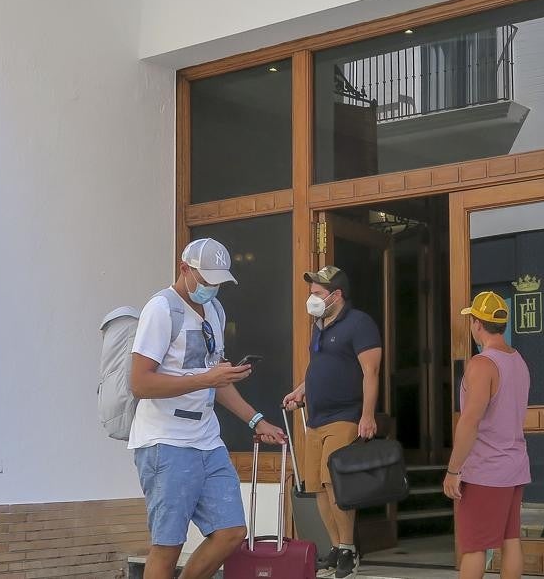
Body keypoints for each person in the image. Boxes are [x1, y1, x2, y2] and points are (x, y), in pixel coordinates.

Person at [129, 238, 287, 579]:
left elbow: (216, 381)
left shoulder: (215, 311)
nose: (212, 289)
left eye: (218, 283)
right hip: (165, 441)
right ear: (185, 269)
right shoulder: (161, 309)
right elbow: (140, 383)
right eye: (206, 281)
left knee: (231, 532)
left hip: (207, 440)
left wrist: (255, 419)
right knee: (168, 545)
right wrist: (206, 378)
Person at [283, 265, 382, 579]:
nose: (311, 298)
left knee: (334, 484)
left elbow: (371, 372)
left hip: (345, 417)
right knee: (317, 487)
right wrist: (300, 391)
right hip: (315, 419)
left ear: (336, 295)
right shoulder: (319, 325)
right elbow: (319, 368)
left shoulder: (359, 324)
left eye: (317, 293)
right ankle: (338, 547)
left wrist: (367, 415)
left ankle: (350, 550)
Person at [443, 291, 531, 579]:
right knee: (510, 540)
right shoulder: (518, 361)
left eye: (472, 320)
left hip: (484, 470)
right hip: (514, 466)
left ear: (478, 324)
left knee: (474, 547)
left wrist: (454, 470)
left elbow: (470, 421)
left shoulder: (482, 365)